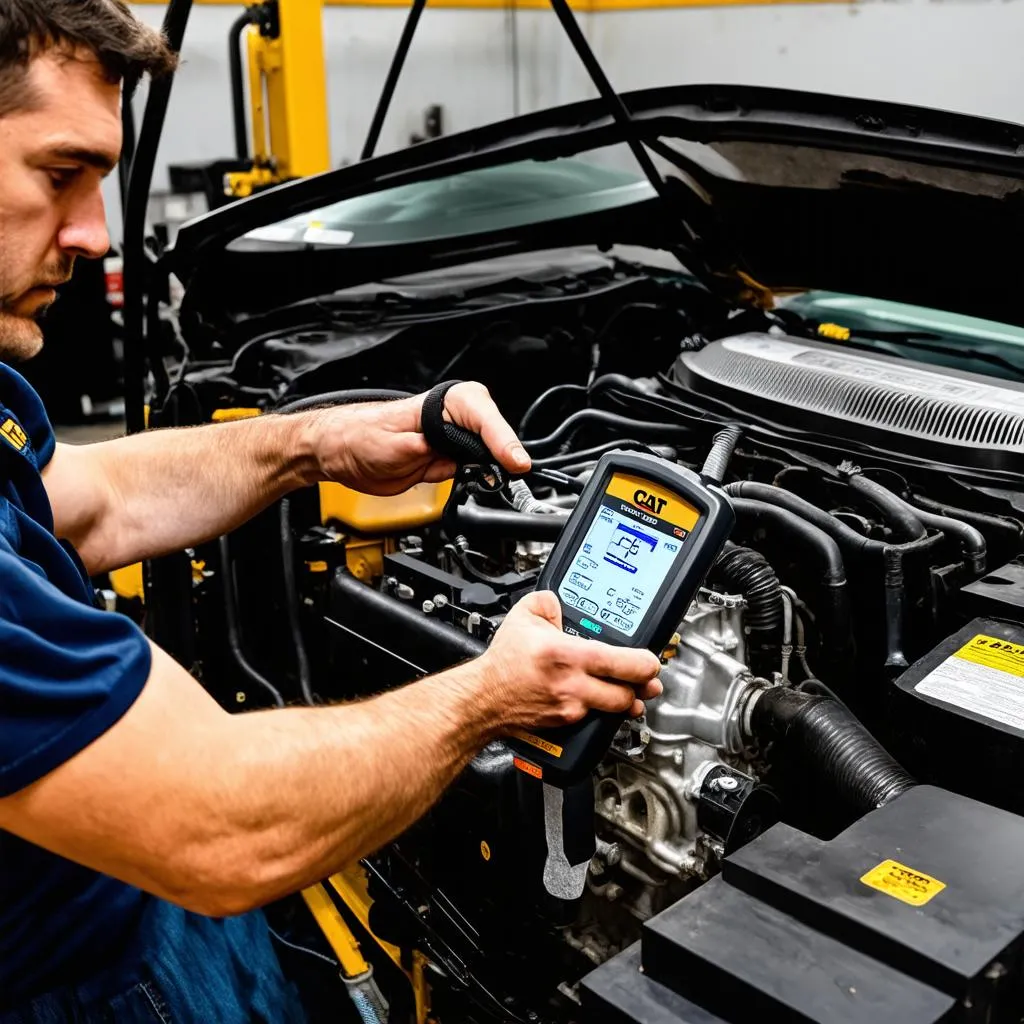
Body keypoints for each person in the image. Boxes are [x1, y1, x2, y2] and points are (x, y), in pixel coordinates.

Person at [0, 2, 663, 1020]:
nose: (94, 234)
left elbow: (93, 501)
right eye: (61, 174)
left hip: (136, 912)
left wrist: (318, 441)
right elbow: (219, 828)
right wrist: (488, 695)